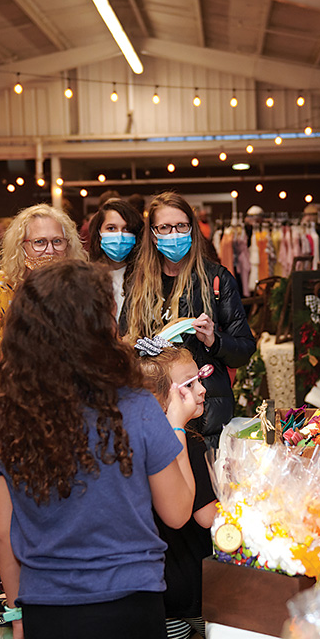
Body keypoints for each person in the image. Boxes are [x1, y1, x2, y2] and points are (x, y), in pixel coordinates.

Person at [0, 260, 197, 639]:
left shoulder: (10, 419)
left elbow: (3, 533)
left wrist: (16, 615)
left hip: (46, 606)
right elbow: (178, 511)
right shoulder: (135, 407)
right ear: (103, 328)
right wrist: (177, 425)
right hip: (132, 602)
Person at [121, 191, 256, 448]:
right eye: (165, 227)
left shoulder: (216, 279)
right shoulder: (137, 283)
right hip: (151, 414)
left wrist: (213, 340)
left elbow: (244, 350)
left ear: (192, 230)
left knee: (204, 485)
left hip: (206, 420)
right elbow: (124, 345)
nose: (174, 234)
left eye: (181, 226)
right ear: (153, 234)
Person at [0, 203, 86, 416]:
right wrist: (12, 372)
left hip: (69, 414)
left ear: (68, 246)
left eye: (57, 242)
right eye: (39, 242)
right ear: (21, 246)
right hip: (7, 413)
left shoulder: (81, 291)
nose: (49, 250)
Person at [136, 337, 217, 639]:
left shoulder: (136, 444)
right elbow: (207, 518)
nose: (201, 390)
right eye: (190, 384)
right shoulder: (189, 445)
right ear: (158, 397)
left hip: (157, 591)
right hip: (193, 587)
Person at [87, 198, 144, 320]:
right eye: (111, 228)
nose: (120, 235)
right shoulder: (86, 277)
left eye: (127, 229)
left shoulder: (146, 276)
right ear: (99, 233)